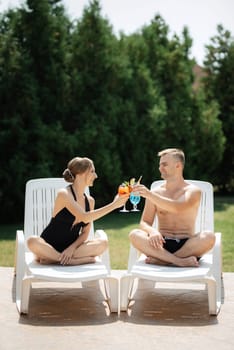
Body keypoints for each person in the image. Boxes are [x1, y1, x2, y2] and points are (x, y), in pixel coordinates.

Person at [27, 157, 128, 266]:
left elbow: (85, 233)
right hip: (48, 247)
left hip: (72, 250)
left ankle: (55, 259)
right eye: (92, 172)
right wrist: (114, 205)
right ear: (80, 174)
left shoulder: (90, 201)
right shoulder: (64, 194)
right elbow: (84, 217)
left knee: (103, 243)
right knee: (32, 241)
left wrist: (71, 248)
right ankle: (71, 261)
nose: (96, 176)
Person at [129, 148, 216, 267]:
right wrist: (153, 231)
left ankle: (163, 260)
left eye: (164, 164)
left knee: (209, 237)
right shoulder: (156, 193)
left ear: (178, 166)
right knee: (134, 234)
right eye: (159, 165)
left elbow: (177, 207)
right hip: (160, 244)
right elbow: (144, 222)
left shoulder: (193, 191)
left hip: (187, 245)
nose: (160, 168)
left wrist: (149, 195)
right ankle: (178, 261)